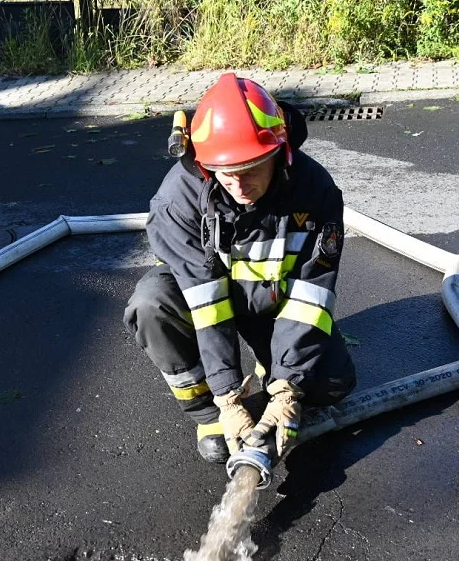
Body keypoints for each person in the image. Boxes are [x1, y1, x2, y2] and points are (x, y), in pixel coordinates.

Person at [124, 73, 356, 465]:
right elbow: (206, 303)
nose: (236, 183)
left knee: (332, 383)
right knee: (151, 304)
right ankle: (207, 415)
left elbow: (309, 295)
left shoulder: (314, 191)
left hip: (274, 302)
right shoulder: (177, 199)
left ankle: (273, 365)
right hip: (209, 305)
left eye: (250, 168)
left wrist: (286, 387)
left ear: (280, 152)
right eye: (223, 170)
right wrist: (227, 396)